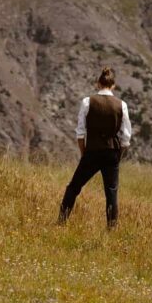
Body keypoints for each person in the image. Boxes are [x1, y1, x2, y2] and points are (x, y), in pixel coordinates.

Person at [57, 67, 133, 229]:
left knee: (74, 187)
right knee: (111, 192)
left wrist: (84, 153)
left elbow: (80, 132)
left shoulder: (87, 102)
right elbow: (126, 138)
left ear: (98, 83)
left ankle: (61, 221)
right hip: (112, 152)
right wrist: (118, 156)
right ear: (113, 85)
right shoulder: (122, 105)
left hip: (92, 151)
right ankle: (111, 229)